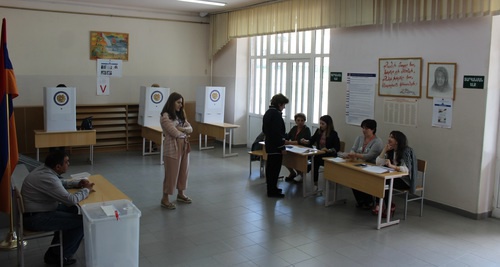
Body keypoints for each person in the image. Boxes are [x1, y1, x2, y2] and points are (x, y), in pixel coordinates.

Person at [21, 150, 95, 266]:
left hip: (38, 211)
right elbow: (70, 200)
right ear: (58, 166)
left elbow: (59, 183)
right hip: (36, 218)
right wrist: (86, 190)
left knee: (74, 210)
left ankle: (56, 251)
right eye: (66, 162)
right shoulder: (48, 178)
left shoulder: (44, 170)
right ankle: (60, 256)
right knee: (82, 222)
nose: (69, 164)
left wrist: (76, 184)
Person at [160, 92, 193, 209]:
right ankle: (165, 199)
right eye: (178, 102)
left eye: (181, 103)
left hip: (184, 146)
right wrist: (183, 131)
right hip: (172, 148)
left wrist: (181, 129)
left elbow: (190, 128)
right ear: (172, 102)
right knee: (171, 173)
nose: (180, 105)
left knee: (183, 171)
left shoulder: (180, 115)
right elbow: (174, 132)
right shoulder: (165, 116)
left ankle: (181, 194)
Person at [373, 130, 417, 217]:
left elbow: (406, 170)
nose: (389, 139)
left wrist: (392, 166)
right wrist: (384, 150)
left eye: (392, 137)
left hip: (405, 180)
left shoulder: (406, 151)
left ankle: (388, 206)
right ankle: (381, 205)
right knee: (380, 180)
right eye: (389, 136)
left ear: (398, 141)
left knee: (385, 182)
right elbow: (378, 163)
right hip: (393, 177)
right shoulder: (391, 150)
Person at [341, 119, 383, 209]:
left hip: (372, 167)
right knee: (353, 178)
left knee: (362, 180)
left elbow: (368, 156)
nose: (364, 130)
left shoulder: (377, 142)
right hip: (359, 164)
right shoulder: (359, 138)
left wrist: (355, 155)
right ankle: (361, 201)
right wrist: (352, 154)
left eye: (366, 128)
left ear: (373, 129)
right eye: (363, 128)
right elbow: (353, 148)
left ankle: (369, 201)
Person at [262, 93, 293, 198]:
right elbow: (277, 133)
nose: (284, 107)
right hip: (275, 147)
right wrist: (281, 147)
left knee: (270, 168)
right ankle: (272, 191)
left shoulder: (268, 112)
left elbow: (265, 130)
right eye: (284, 105)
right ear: (279, 104)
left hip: (270, 144)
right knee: (274, 170)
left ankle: (272, 188)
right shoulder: (276, 115)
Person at [300, 115, 340, 191]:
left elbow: (337, 147)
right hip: (319, 154)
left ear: (328, 124)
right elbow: (311, 140)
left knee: (315, 160)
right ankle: (314, 182)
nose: (321, 126)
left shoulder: (333, 134)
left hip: (329, 155)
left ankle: (304, 172)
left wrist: (328, 150)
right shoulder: (318, 131)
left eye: (323, 124)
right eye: (320, 123)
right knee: (315, 160)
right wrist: (305, 141)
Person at [284, 113, 311, 183]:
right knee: (284, 157)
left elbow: (301, 142)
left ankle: (300, 174)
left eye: (302, 120)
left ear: (304, 121)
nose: (300, 122)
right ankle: (292, 172)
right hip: (293, 148)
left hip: (303, 150)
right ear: (295, 121)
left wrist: (289, 142)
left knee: (296, 160)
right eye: (298, 120)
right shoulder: (294, 128)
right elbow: (288, 136)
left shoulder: (307, 130)